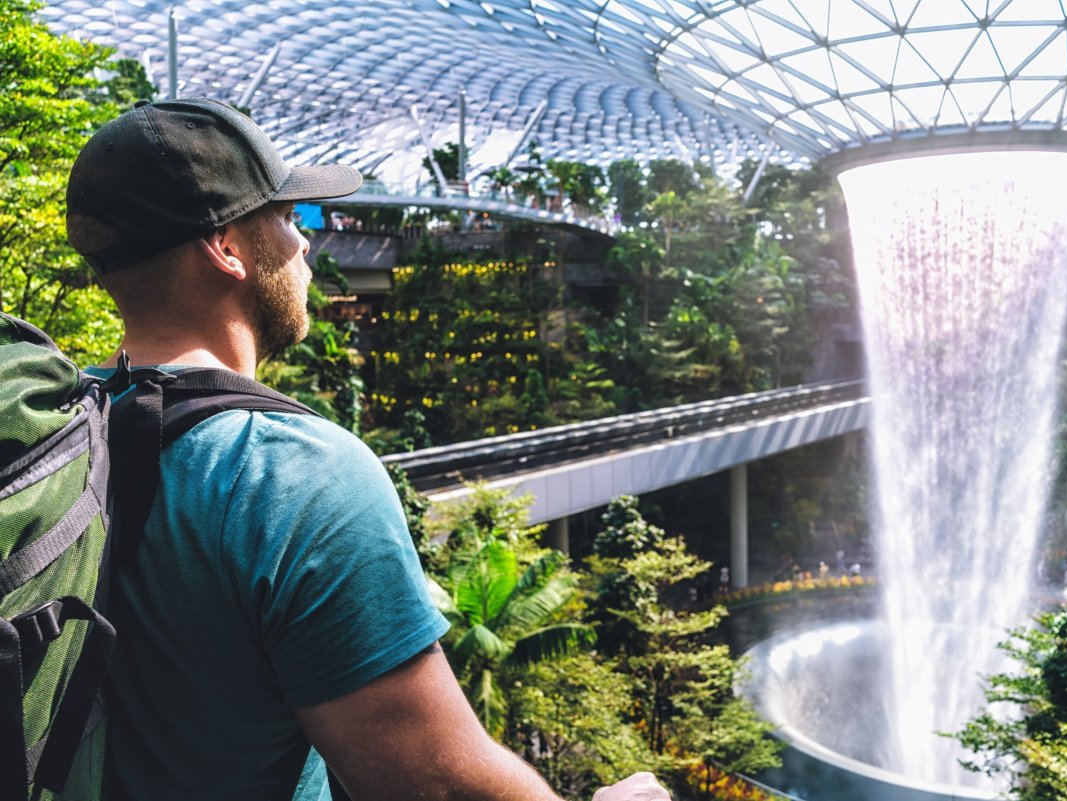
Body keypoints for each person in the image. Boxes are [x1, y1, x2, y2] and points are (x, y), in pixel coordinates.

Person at [66, 98, 668, 801]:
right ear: (227, 247)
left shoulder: (58, 426)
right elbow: (434, 785)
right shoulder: (292, 475)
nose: (305, 245)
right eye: (289, 217)